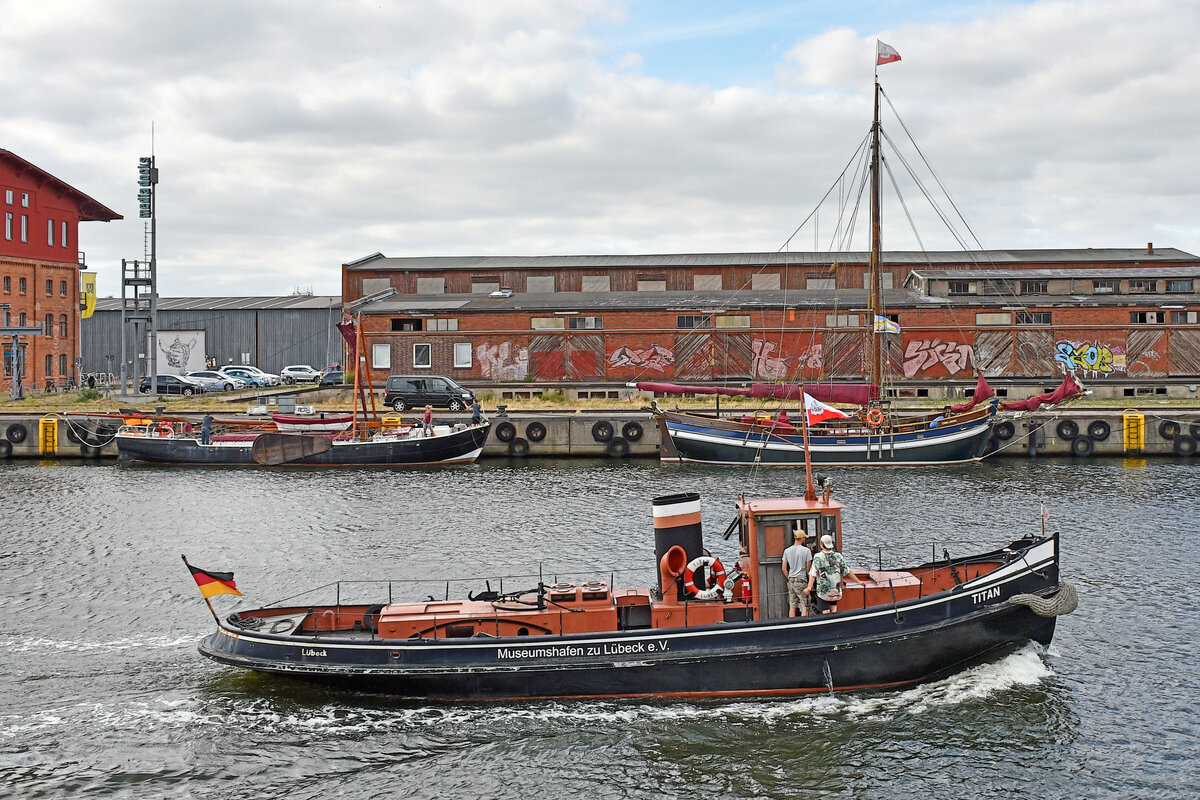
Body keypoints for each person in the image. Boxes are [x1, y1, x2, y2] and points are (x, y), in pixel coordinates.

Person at [806, 533, 866, 615]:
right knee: (833, 610)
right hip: (836, 590)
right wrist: (858, 581)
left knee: (825, 612)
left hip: (824, 591)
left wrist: (809, 587)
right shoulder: (838, 556)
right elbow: (847, 571)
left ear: (821, 544)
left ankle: (828, 626)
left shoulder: (818, 557)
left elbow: (813, 573)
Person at [781, 527, 813, 618]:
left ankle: (792, 625)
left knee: (792, 605)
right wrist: (810, 582)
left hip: (790, 580)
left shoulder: (787, 551)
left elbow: (783, 568)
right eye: (804, 537)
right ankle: (804, 625)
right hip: (801, 580)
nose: (805, 539)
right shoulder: (806, 551)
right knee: (805, 605)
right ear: (801, 538)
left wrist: (789, 578)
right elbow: (808, 568)